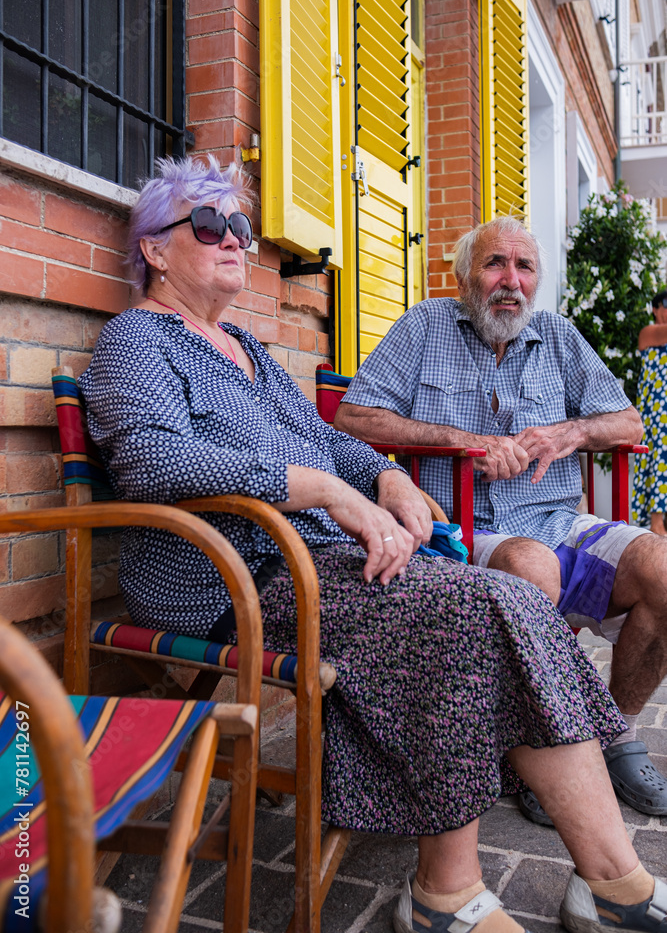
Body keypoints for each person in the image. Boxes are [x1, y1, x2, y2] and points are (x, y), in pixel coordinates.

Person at [80, 157, 666, 933]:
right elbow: (152, 461)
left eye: (243, 228)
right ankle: (444, 892)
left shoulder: (248, 351)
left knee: (503, 602)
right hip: (231, 573)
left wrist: (385, 482)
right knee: (469, 610)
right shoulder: (136, 341)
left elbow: (334, 442)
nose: (236, 241)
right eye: (212, 225)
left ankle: (612, 880)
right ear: (155, 250)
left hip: (314, 559)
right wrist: (326, 492)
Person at [335, 215, 667, 822]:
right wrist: (467, 442)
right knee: (530, 568)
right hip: (467, 527)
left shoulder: (559, 337)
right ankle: (544, 746)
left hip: (558, 519)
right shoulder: (423, 327)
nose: (510, 280)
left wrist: (571, 431)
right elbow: (355, 416)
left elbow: (630, 424)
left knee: (663, 568)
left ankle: (607, 733)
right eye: (495, 264)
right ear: (465, 275)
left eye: (524, 267)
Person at [633, 289, 667, 535]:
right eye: (664, 304)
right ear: (655, 309)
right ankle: (657, 524)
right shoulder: (648, 333)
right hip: (656, 410)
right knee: (658, 461)